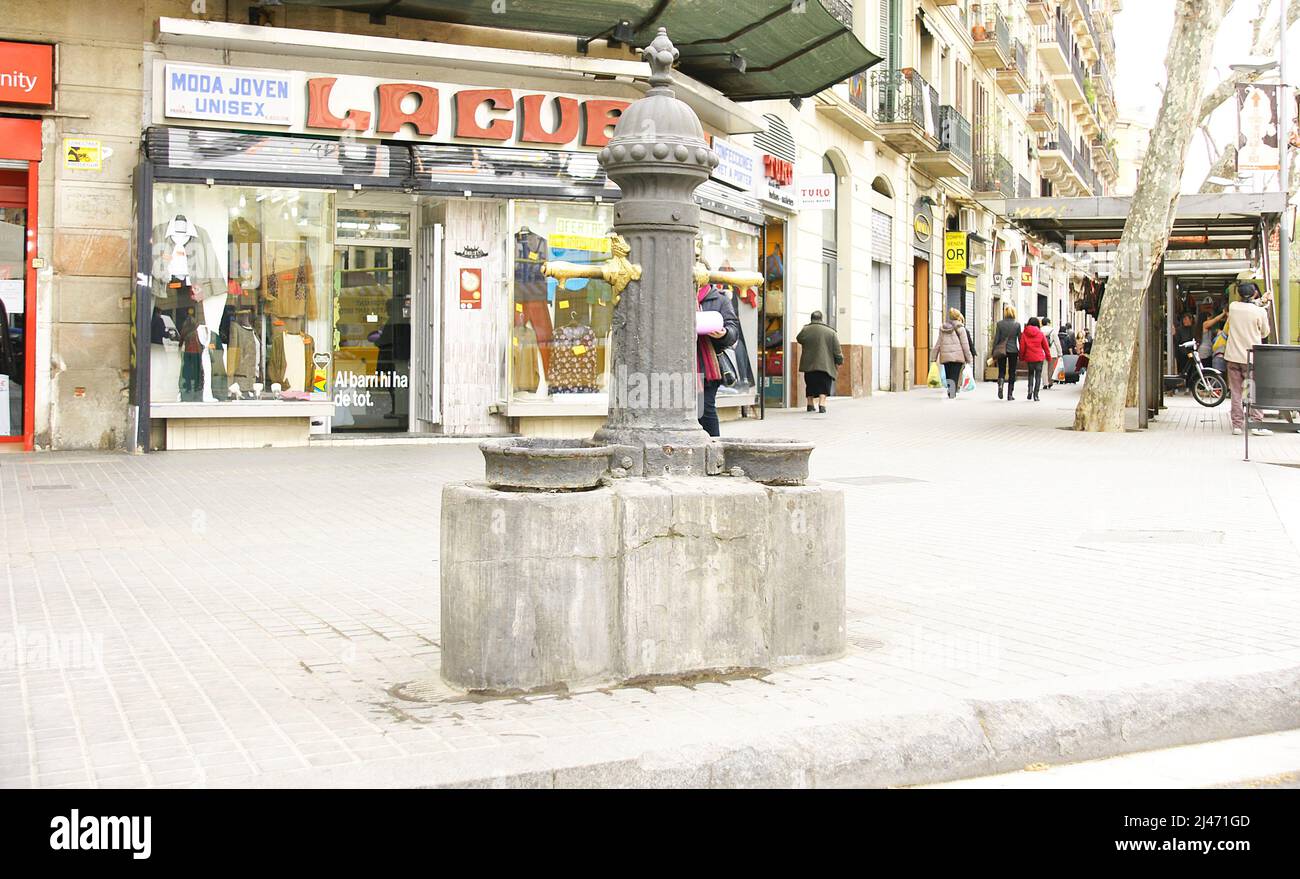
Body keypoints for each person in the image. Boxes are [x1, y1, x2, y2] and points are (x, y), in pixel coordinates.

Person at [1224, 282, 1273, 437]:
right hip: (1251, 357)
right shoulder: (1260, 312)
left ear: (1239, 294)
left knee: (1236, 392)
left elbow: (1245, 306)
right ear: (1254, 294)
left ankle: (1237, 425)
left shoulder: (1233, 307)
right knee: (1252, 390)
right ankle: (1256, 423)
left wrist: (1262, 302)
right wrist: (1263, 303)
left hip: (1233, 356)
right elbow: (1265, 333)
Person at [696, 283, 740, 437]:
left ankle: (714, 447)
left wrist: (724, 333)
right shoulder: (677, 295)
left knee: (705, 409)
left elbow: (733, 329)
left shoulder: (719, 299)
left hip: (706, 366)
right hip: (679, 364)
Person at [796, 310, 843, 414]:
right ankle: (822, 405)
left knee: (810, 383)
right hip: (825, 365)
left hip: (809, 364)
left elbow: (799, 339)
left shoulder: (805, 330)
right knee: (824, 384)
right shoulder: (831, 332)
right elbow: (837, 349)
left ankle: (810, 404)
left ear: (811, 318)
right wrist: (839, 360)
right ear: (821, 319)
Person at [932, 308, 972, 399]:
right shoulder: (961, 328)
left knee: (949, 375)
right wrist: (969, 358)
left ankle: (950, 391)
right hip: (957, 356)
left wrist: (933, 357)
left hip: (945, 356)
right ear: (958, 316)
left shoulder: (943, 328)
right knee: (955, 375)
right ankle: (952, 393)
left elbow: (938, 343)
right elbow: (965, 345)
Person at [991, 304, 1022, 400]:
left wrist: (993, 351)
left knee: (1002, 370)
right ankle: (1010, 394)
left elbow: (997, 338)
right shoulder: (1017, 325)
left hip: (1001, 350)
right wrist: (1021, 351)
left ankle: (1000, 386)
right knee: (1012, 372)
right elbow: (1020, 339)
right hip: (1013, 350)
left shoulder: (1000, 324)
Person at [1019, 316, 1052, 402]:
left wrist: (1021, 357)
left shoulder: (1024, 333)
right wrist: (1048, 357)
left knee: (1030, 374)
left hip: (1029, 357)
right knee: (1038, 376)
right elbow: (1046, 347)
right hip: (1039, 357)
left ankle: (1030, 390)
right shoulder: (1040, 334)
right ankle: (1036, 395)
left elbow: (1022, 347)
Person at [1042, 317, 1062, 389]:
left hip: (1042, 351)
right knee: (1051, 368)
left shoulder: (1040, 330)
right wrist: (1060, 352)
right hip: (1052, 351)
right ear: (1048, 323)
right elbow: (1057, 343)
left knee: (1044, 368)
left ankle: (1045, 383)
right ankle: (1050, 382)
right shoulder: (1053, 331)